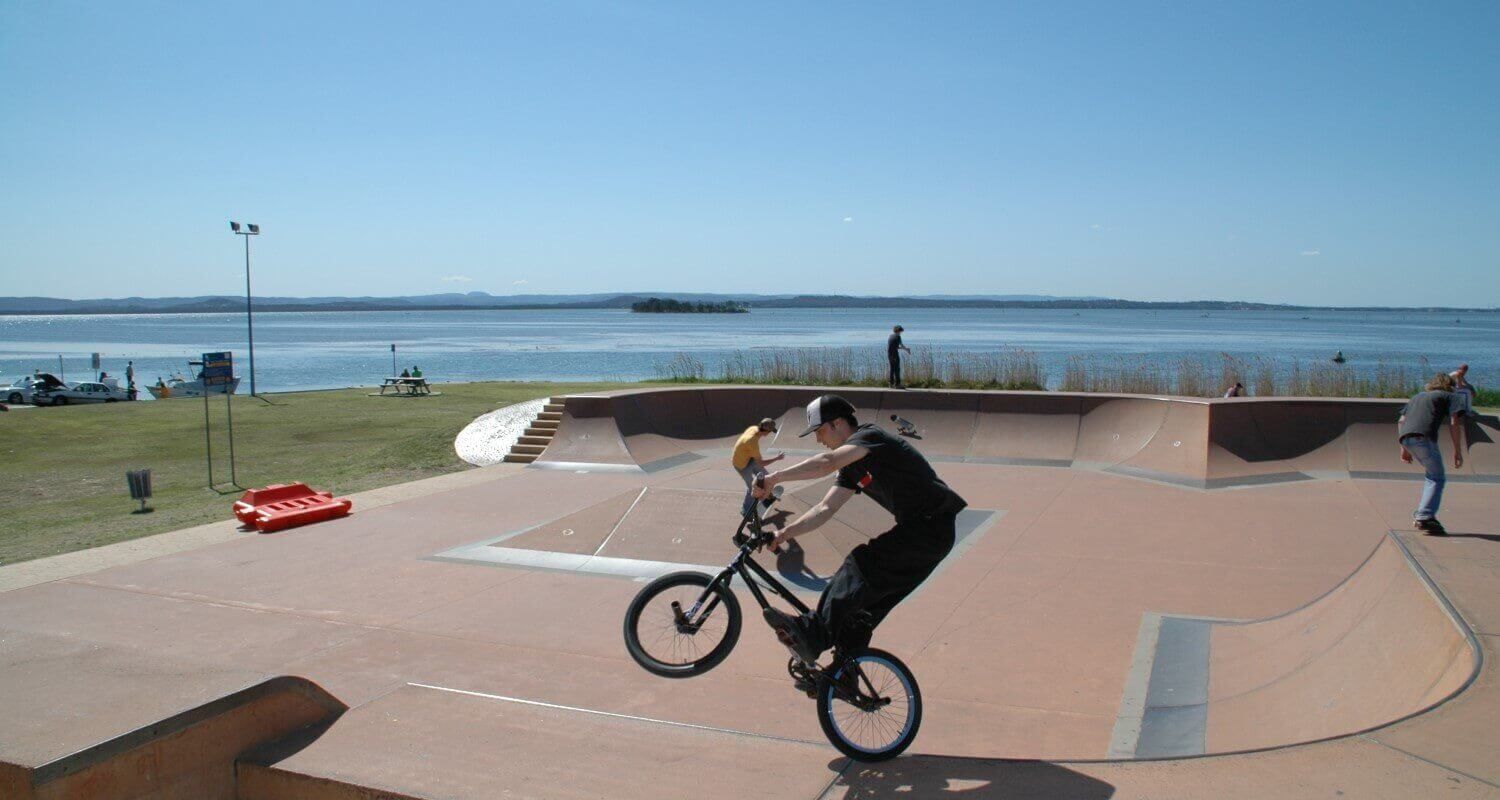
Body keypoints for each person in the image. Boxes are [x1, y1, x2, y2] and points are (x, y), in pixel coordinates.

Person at [754, 394, 967, 662]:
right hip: (925, 536)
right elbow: (824, 510)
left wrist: (774, 478)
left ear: (839, 423)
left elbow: (825, 463)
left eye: (820, 431)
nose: (819, 439)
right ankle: (844, 676)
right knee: (858, 615)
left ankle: (813, 633)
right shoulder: (851, 469)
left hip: (930, 527)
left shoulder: (870, 437)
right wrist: (783, 534)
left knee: (859, 564)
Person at [1398, 373, 1470, 535]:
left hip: (1407, 438)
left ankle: (1425, 514)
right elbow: (1454, 422)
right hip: (1424, 438)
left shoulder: (1417, 397)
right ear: (1450, 386)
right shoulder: (1451, 396)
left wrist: (1404, 448)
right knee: (1436, 477)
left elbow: (1401, 421)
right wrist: (1457, 451)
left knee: (1432, 475)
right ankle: (1425, 515)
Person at [731, 417, 785, 517]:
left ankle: (768, 494)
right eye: (770, 432)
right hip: (740, 465)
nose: (769, 434)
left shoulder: (754, 428)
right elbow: (761, 463)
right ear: (766, 431)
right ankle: (745, 510)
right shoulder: (752, 441)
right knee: (752, 487)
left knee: (766, 476)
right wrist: (777, 458)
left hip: (748, 458)